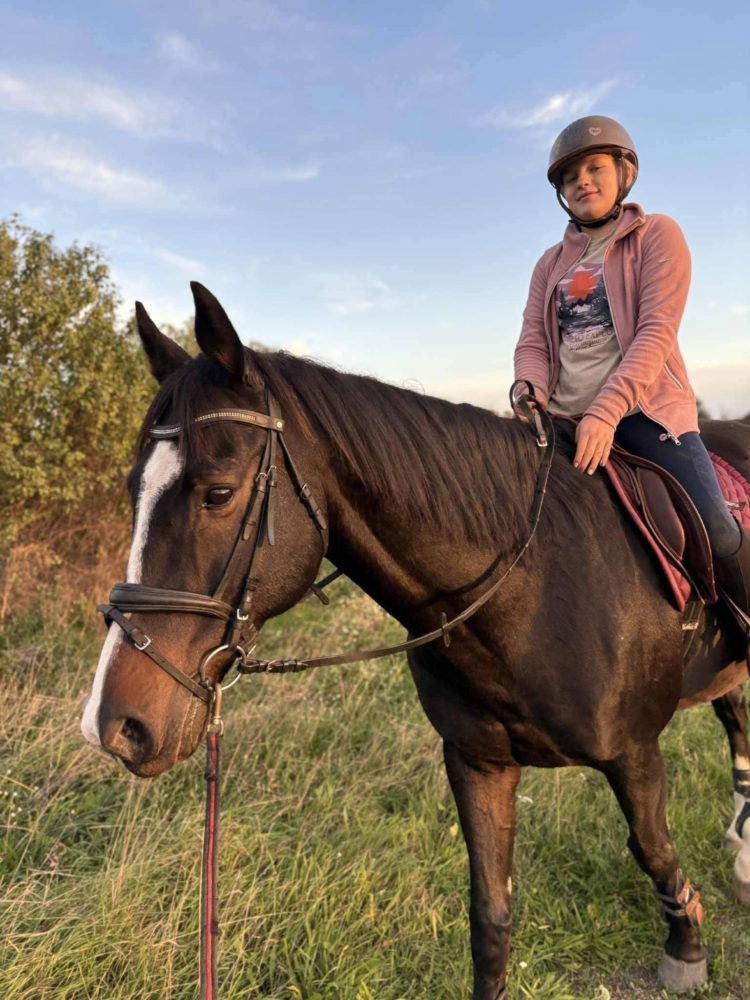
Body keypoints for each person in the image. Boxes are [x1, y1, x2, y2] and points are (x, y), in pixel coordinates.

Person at [512, 114, 749, 634]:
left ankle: (743, 627)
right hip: (563, 419)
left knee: (714, 526)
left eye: (595, 168)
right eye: (570, 176)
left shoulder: (657, 235)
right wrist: (528, 393)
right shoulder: (549, 265)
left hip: (645, 413)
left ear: (625, 173)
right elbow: (533, 342)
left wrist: (605, 412)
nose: (582, 182)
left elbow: (655, 333)